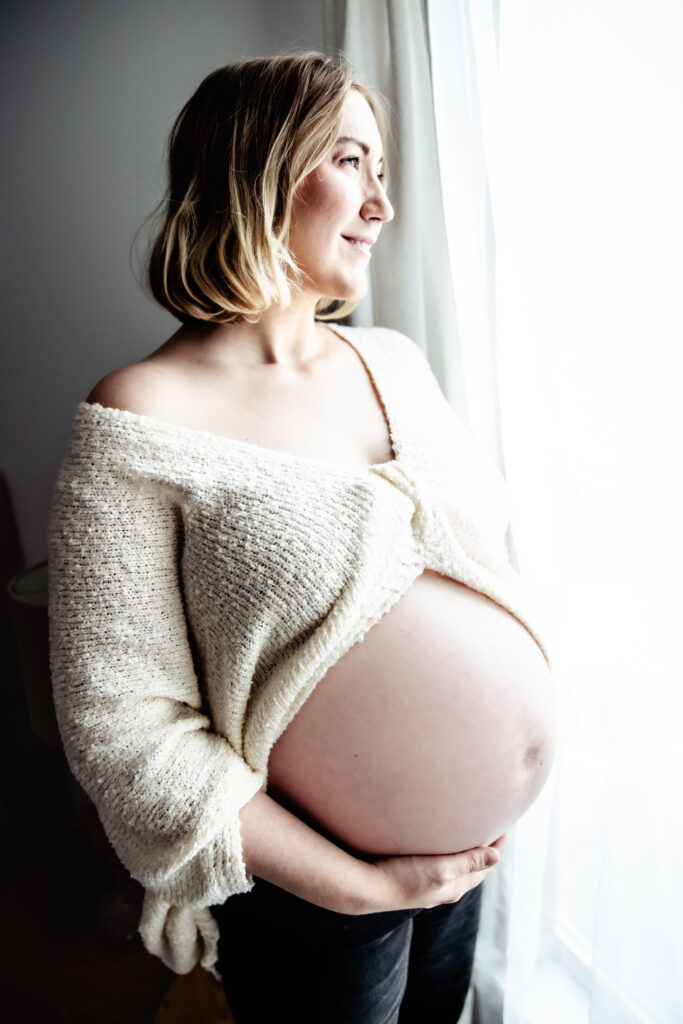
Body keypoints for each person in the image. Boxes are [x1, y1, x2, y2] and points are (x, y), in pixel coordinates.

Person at [48, 52, 555, 1024]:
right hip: (314, 900)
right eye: (351, 161)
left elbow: (473, 567)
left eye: (381, 170)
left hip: (467, 864)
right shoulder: (139, 414)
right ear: (257, 166)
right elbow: (124, 734)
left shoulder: (393, 363)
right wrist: (353, 886)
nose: (380, 203)